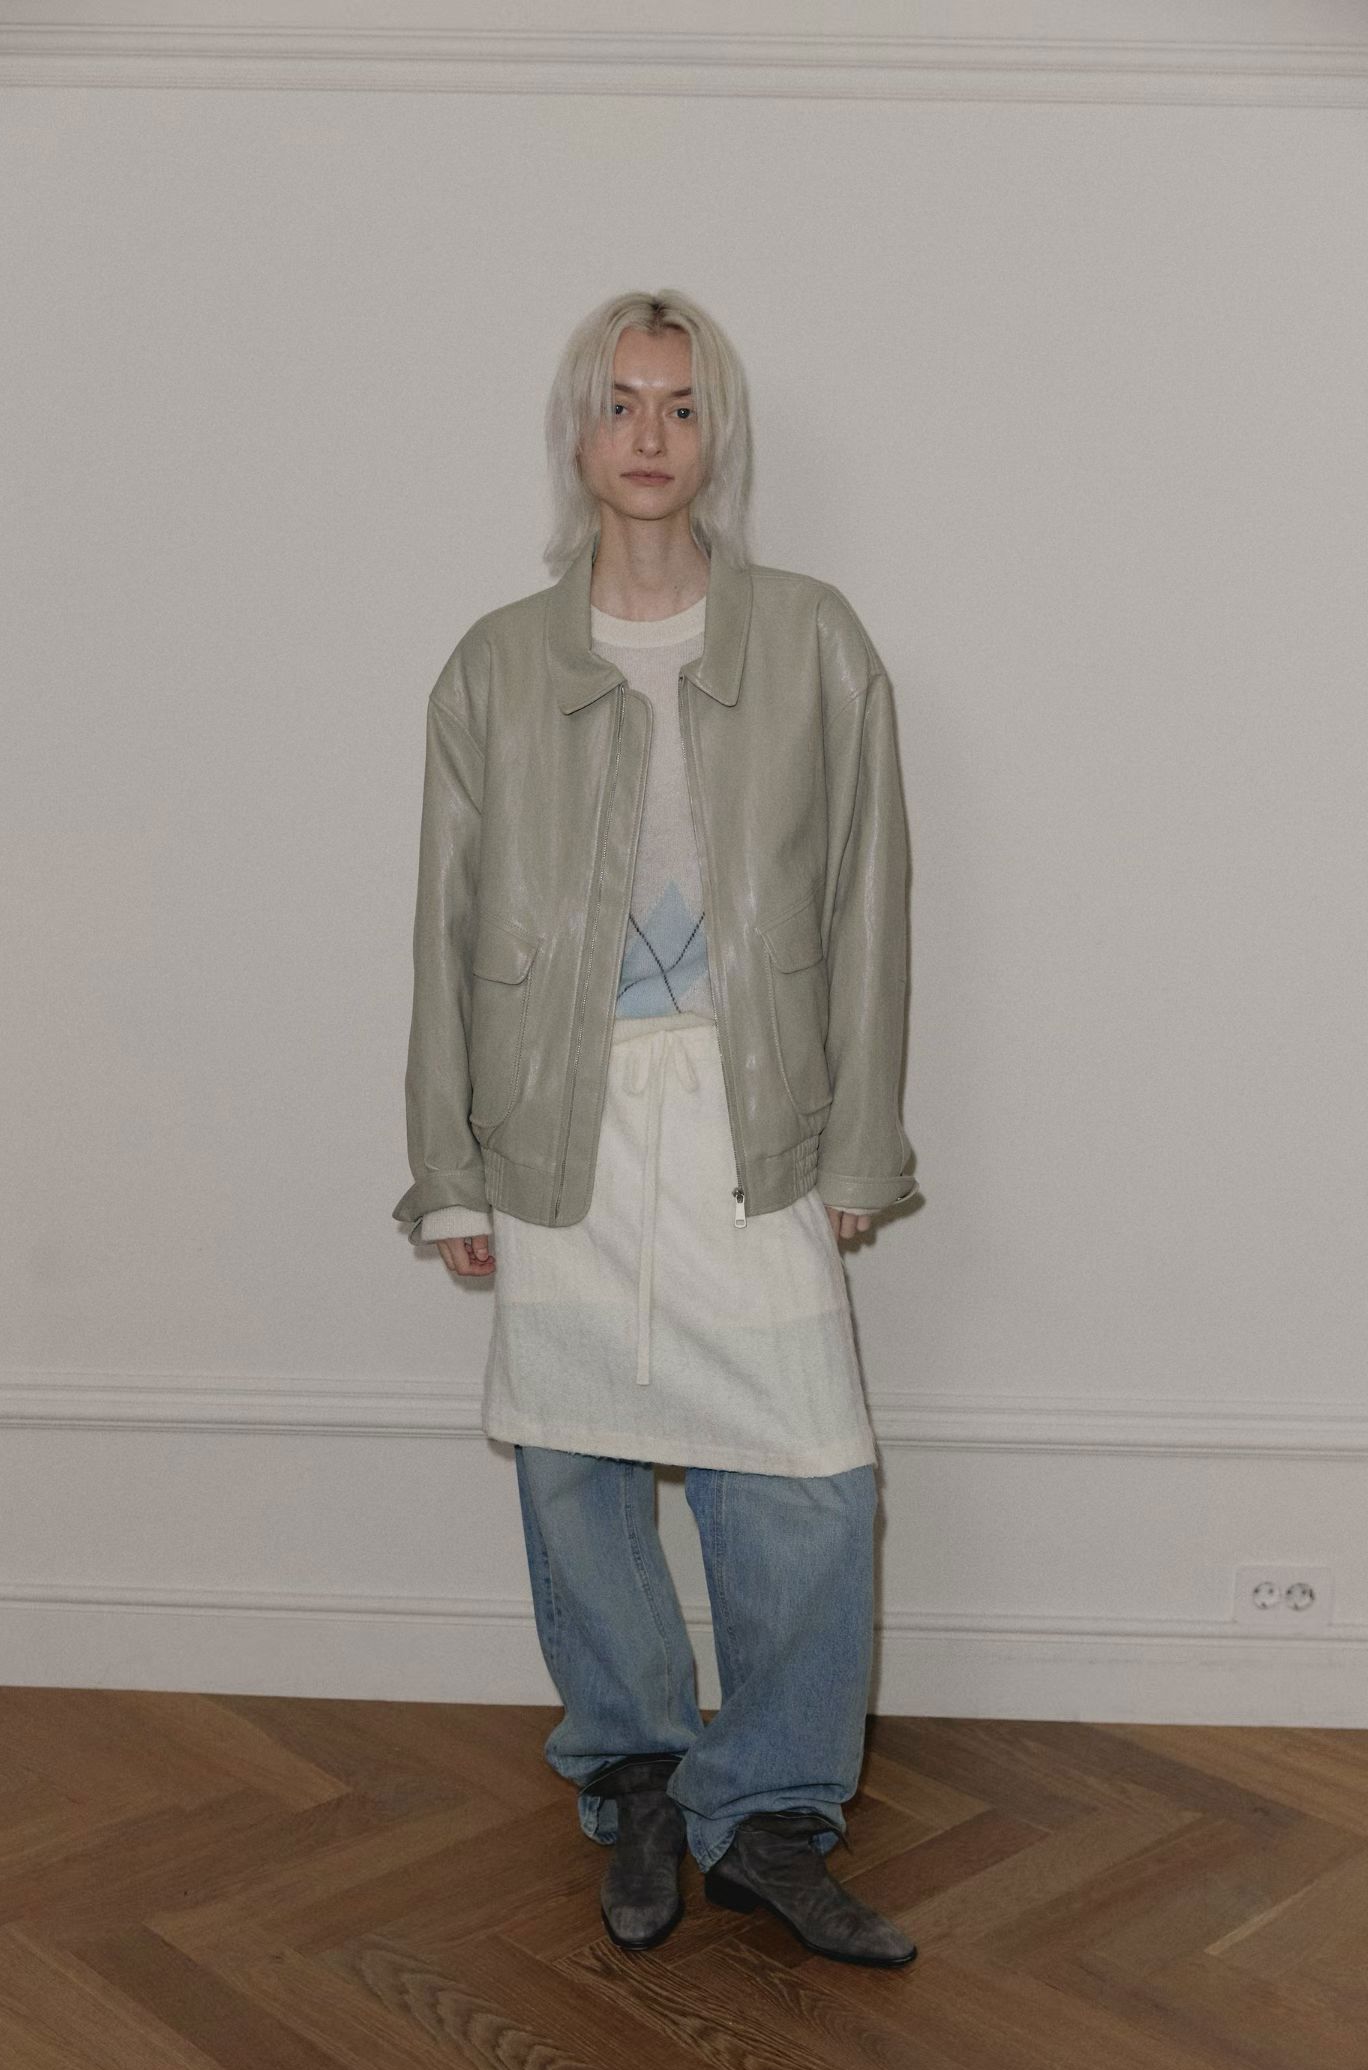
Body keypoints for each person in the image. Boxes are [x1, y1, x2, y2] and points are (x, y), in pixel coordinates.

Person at [395, 289, 919, 1970]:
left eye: (681, 407)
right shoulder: (496, 664)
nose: (648, 435)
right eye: (620, 402)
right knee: (577, 1462)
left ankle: (768, 1817)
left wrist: (857, 1150)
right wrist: (449, 1169)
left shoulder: (815, 641)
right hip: (558, 1110)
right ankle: (632, 1776)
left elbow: (869, 907)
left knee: (809, 1477)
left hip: (752, 1112)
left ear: (716, 437)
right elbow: (444, 927)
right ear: (578, 432)